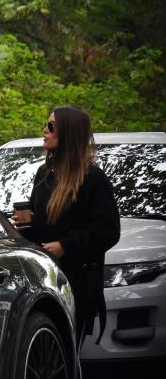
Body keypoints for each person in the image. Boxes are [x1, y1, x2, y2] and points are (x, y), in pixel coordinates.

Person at [15, 106, 120, 348]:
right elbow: (43, 228)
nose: (45, 130)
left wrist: (66, 246)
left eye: (51, 126)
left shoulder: (92, 178)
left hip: (76, 283)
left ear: (69, 133)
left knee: (67, 354)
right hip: (44, 280)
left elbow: (108, 230)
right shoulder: (44, 173)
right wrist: (25, 224)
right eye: (46, 124)